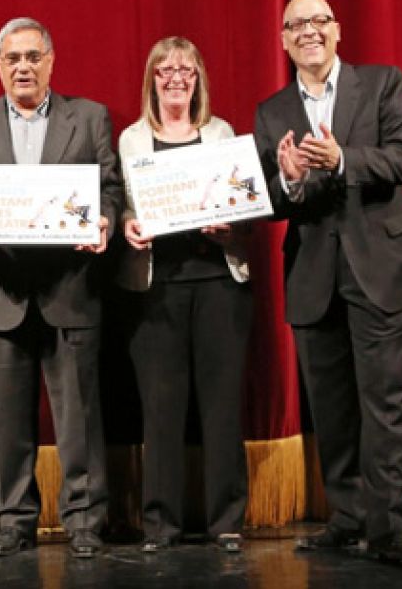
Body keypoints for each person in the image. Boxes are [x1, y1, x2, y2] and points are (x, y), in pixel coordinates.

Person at [255, 0, 402, 567]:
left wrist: (341, 160)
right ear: (283, 41)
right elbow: (276, 203)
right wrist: (287, 180)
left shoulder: (382, 83)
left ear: (338, 31)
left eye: (319, 21)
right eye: (296, 25)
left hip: (380, 268)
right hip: (313, 274)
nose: (308, 31)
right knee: (330, 406)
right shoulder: (272, 111)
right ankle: (348, 517)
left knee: (385, 402)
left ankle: (389, 531)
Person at [0, 17, 120, 558]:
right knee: (7, 419)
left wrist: (105, 220)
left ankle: (85, 519)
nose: (23, 67)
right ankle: (15, 520)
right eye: (12, 58)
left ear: (51, 61)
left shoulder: (87, 118)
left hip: (70, 287)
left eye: (33, 56)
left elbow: (109, 187)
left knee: (80, 416)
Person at [116, 37, 251, 554]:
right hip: (156, 288)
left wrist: (231, 223)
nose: (176, 78)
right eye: (165, 70)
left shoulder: (222, 134)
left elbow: (242, 202)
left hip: (219, 283)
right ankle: (161, 525)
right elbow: (121, 203)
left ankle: (227, 523)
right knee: (161, 409)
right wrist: (129, 223)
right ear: (151, 79)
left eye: (186, 70)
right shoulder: (131, 140)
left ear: (199, 79)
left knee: (221, 408)